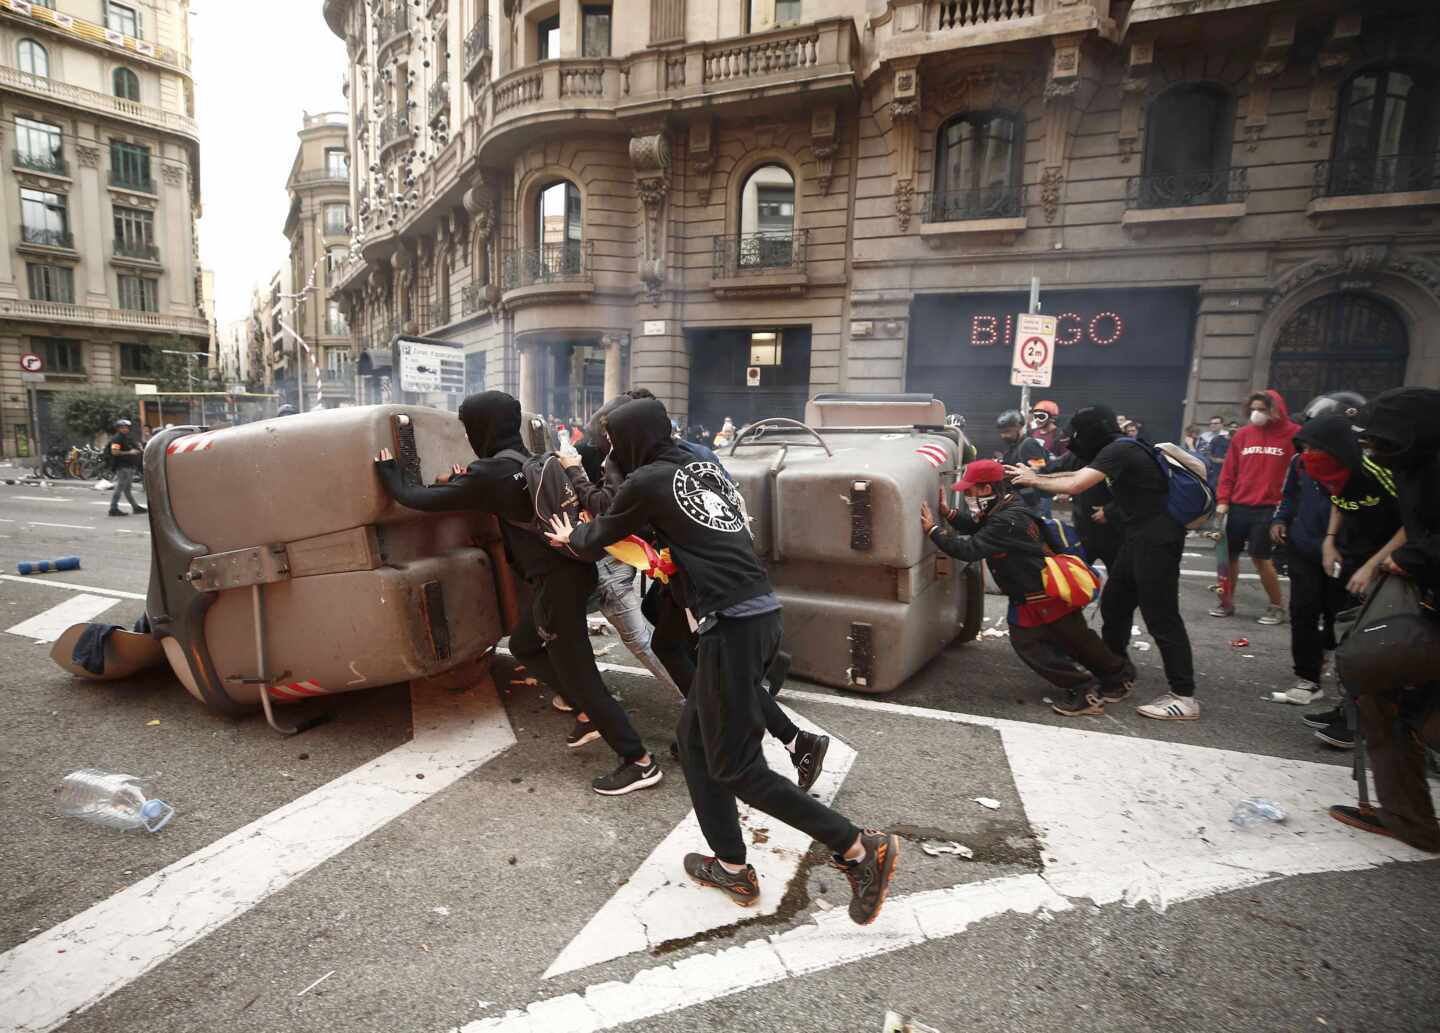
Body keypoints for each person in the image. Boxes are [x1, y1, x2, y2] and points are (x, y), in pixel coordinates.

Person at [548, 397, 900, 923]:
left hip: (733, 624)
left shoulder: (646, 482)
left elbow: (599, 535)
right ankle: (731, 867)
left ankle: (855, 847)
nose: (614, 451)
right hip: (755, 611)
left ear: (631, 440)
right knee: (694, 745)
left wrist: (569, 536)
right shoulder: (700, 460)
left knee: (737, 768)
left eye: (616, 442)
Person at [372, 391, 661, 797]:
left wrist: (388, 471)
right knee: (525, 643)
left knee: (583, 676)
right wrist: (464, 481)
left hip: (558, 582)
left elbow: (417, 498)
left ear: (480, 428)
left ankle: (637, 760)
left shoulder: (488, 473)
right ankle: (583, 708)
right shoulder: (530, 459)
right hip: (572, 572)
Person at [1008, 406, 1199, 720]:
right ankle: (1117, 676)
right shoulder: (1114, 450)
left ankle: (1184, 696)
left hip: (1157, 540)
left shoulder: (1121, 449)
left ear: (1093, 431)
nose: (1074, 441)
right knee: (1115, 605)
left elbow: (1074, 484)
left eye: (1078, 435)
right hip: (1136, 538)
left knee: (1161, 617)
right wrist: (1032, 477)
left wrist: (1035, 480)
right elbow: (1070, 473)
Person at [921, 460, 1132, 717]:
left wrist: (932, 529)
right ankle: (1118, 677)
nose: (966, 496)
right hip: (1044, 585)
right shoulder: (1008, 505)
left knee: (1031, 644)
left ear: (986, 488)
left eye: (969, 491)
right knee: (1076, 638)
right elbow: (981, 528)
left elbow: (969, 549)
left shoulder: (1005, 519)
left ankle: (1084, 689)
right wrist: (950, 514)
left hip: (1037, 593)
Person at [1328, 387, 1440, 852]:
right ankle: (1410, 821)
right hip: (1429, 610)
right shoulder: (1415, 468)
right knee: (1380, 699)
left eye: (1383, 442)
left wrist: (1412, 558)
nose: (1376, 452)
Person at [1213, 390, 1299, 623]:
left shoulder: (1294, 435)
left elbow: (1299, 473)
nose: (1256, 414)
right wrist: (1222, 501)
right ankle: (1226, 601)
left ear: (1275, 409)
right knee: (1228, 556)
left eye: (1262, 409)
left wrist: (1289, 510)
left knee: (1261, 557)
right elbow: (1229, 470)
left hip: (1270, 507)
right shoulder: (1243, 435)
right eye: (1253, 409)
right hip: (1239, 504)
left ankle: (1276, 606)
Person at [995, 409, 1051, 515]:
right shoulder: (1013, 448)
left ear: (1019, 428)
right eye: (1001, 432)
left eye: (1007, 431)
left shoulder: (1028, 444)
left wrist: (1025, 473)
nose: (1003, 436)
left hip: (1030, 503)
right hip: (1020, 502)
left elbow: (1039, 470)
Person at [106, 419, 146, 517]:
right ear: (118, 428)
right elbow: (114, 452)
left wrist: (138, 448)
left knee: (127, 489)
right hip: (122, 466)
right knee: (120, 487)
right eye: (122, 428)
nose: (125, 429)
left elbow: (134, 447)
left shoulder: (126, 438)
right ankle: (113, 508)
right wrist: (129, 452)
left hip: (129, 466)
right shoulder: (117, 439)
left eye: (126, 428)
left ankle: (135, 507)